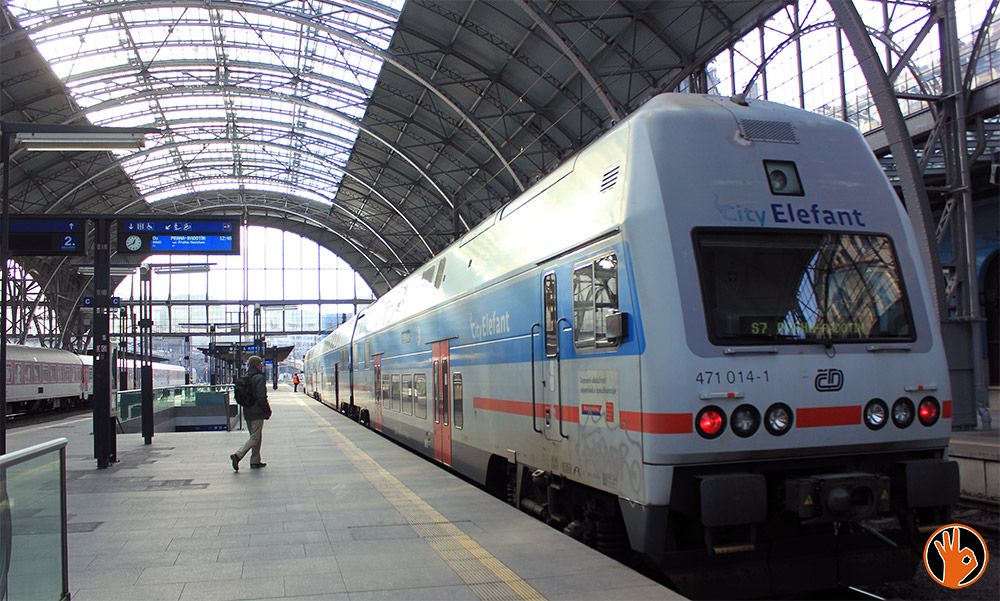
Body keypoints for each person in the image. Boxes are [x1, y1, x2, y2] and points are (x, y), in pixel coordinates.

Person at [230, 355, 272, 471]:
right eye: (260, 364)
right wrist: (267, 410)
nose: (262, 366)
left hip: (247, 410)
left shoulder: (245, 376)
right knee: (255, 437)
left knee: (255, 436)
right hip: (257, 411)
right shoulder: (259, 377)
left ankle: (255, 461)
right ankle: (238, 455)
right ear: (257, 365)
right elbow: (261, 396)